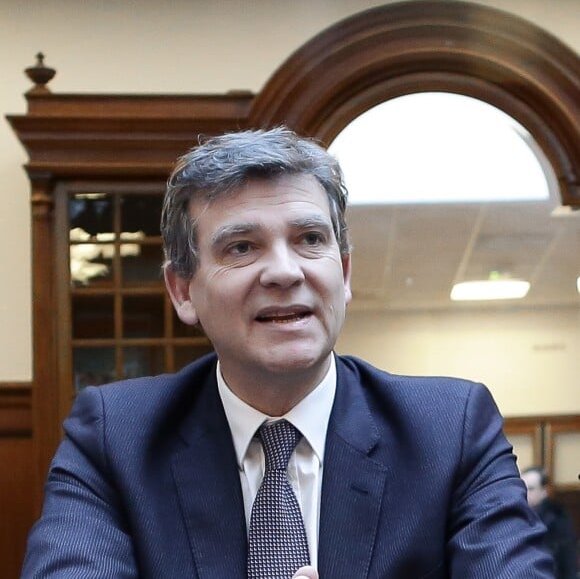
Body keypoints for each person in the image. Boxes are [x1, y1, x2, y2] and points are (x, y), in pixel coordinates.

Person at [22, 127, 553, 578]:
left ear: (343, 274)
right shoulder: (115, 437)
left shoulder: (450, 430)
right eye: (241, 247)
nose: (284, 271)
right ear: (183, 289)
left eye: (309, 239)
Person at [521, 465, 578, 578]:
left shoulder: (557, 519)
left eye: (531, 489)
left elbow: (565, 564)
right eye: (522, 487)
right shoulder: (519, 514)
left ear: (544, 491)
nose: (525, 493)